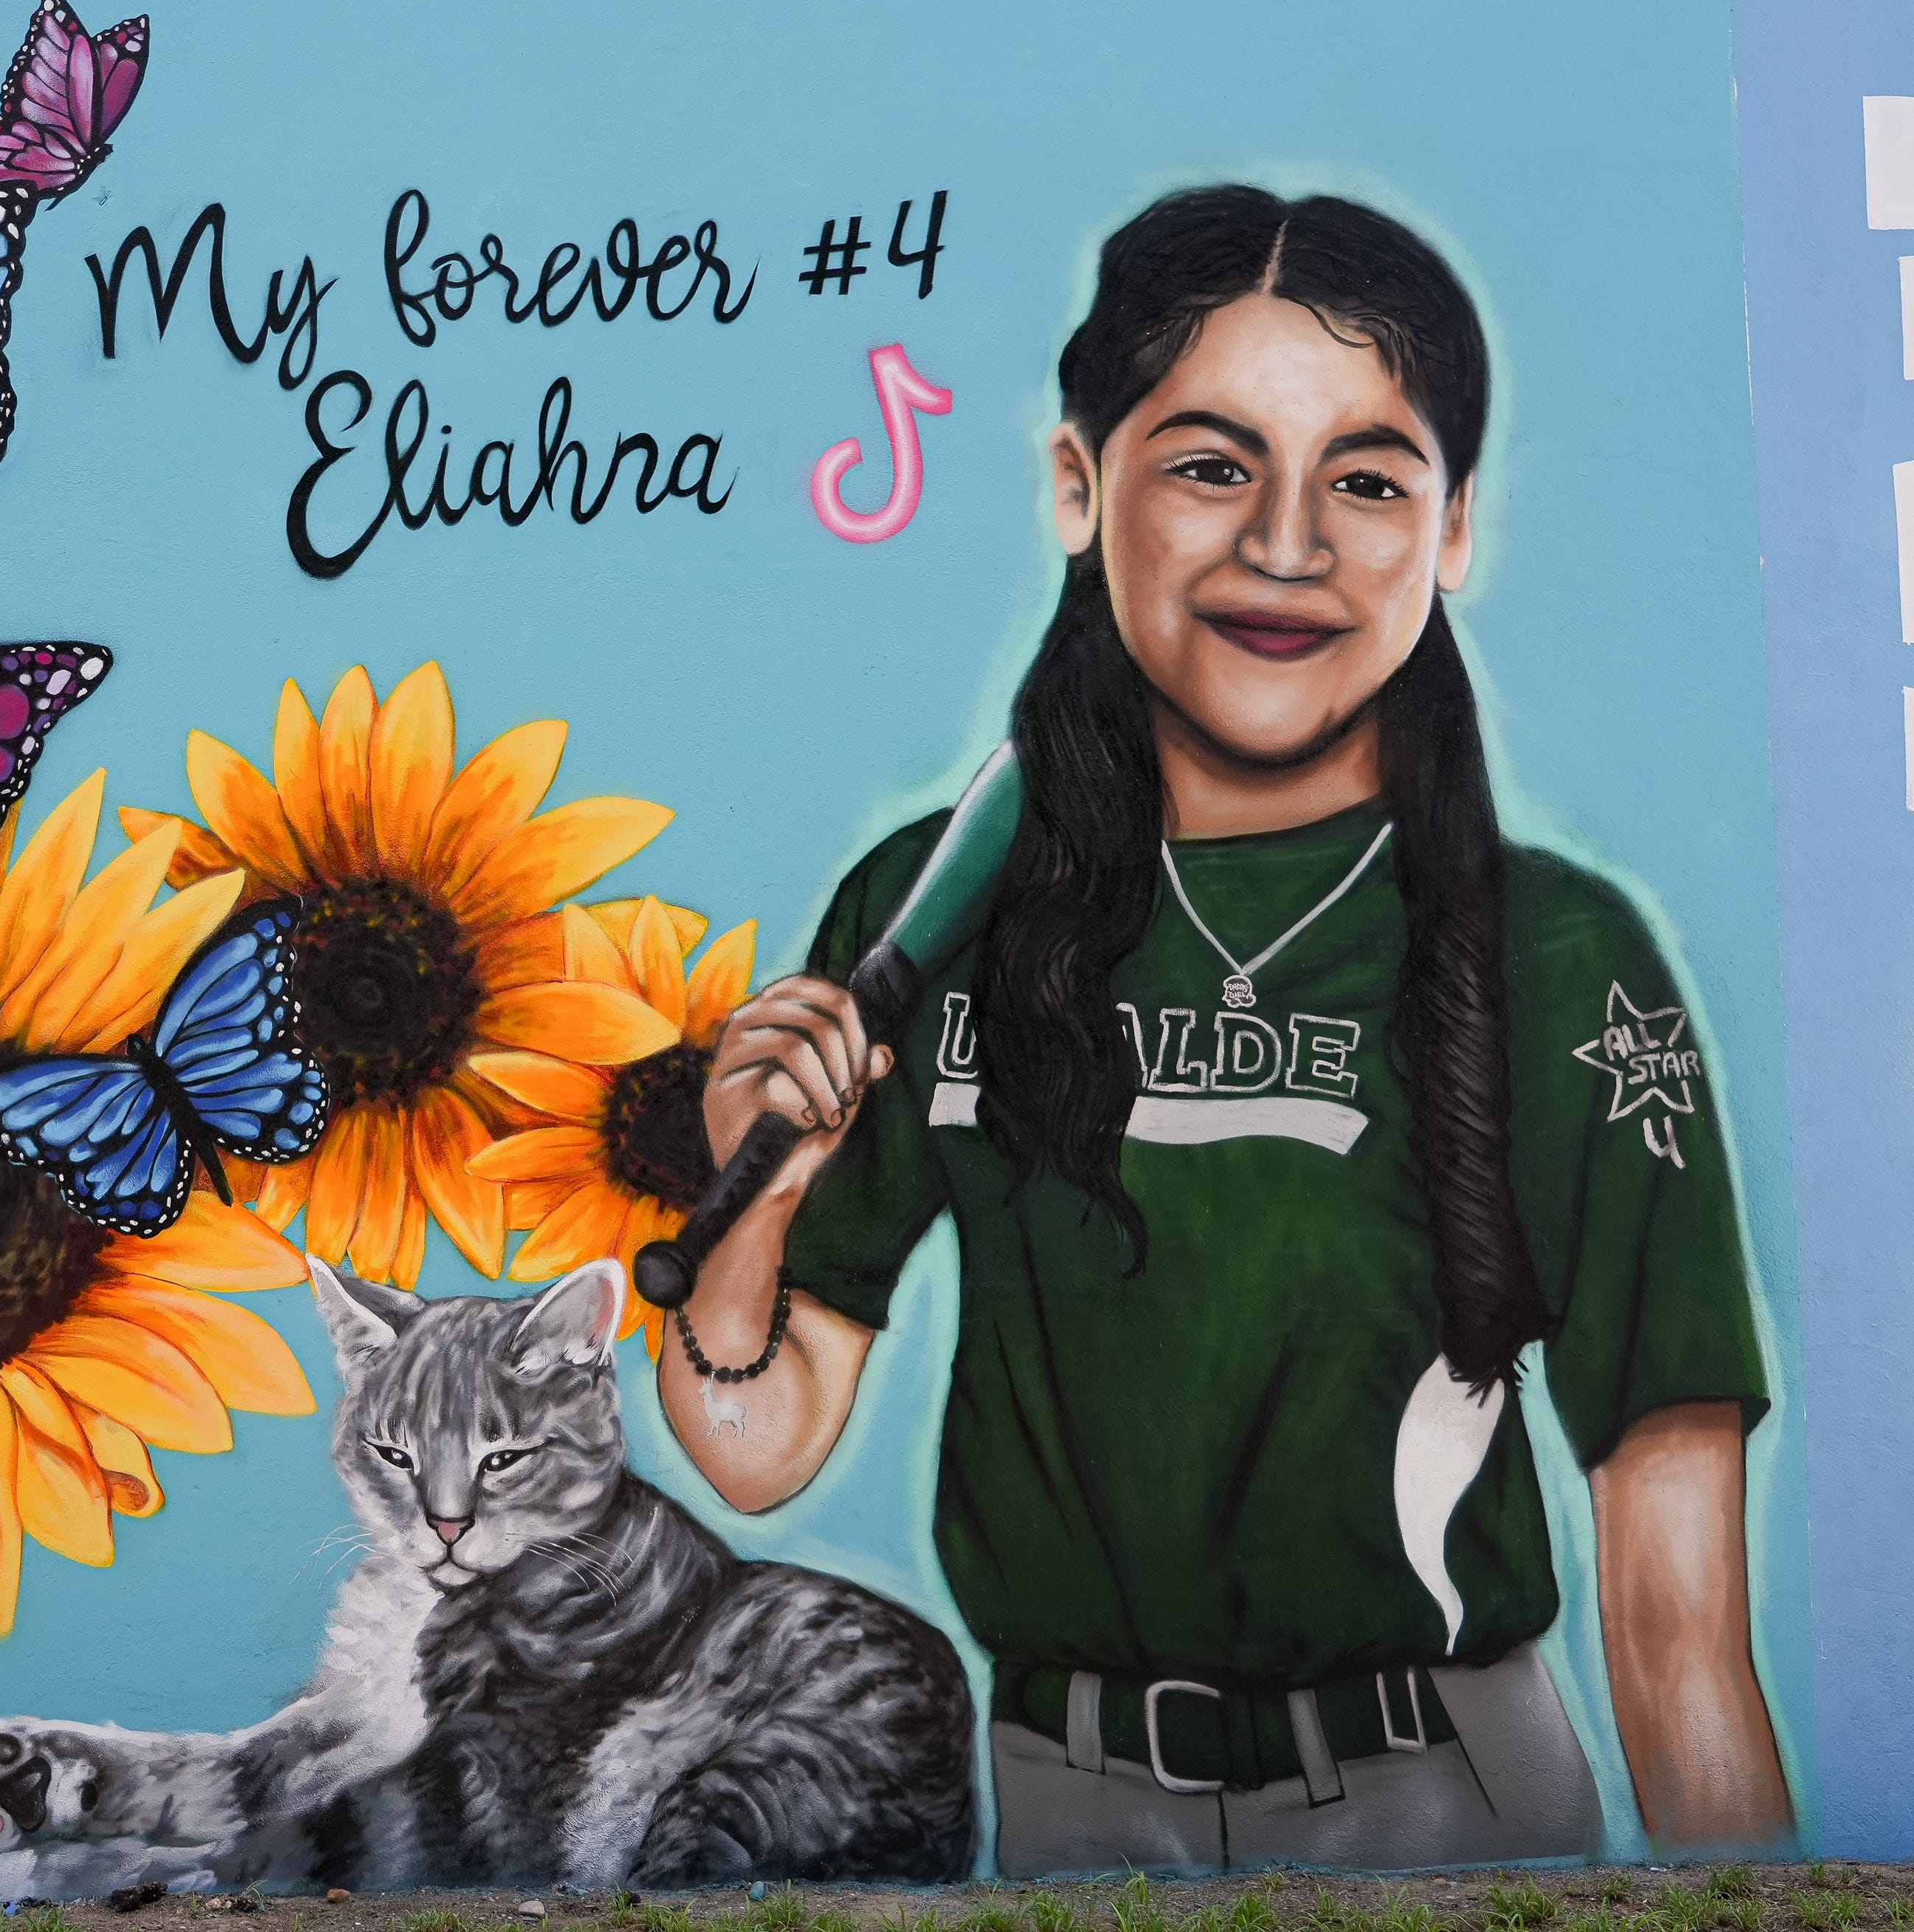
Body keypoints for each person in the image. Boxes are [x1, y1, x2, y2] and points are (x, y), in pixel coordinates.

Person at [658, 186, 1791, 1874]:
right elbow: (755, 1447)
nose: (1286, 544)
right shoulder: (935, 915)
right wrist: (754, 1200)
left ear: (1453, 529)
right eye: (1208, 464)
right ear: (1075, 485)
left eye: (1368, 479)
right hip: (1069, 1801)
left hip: (1448, 1802)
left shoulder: (1560, 957)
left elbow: (1676, 1612)